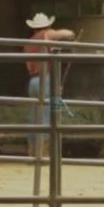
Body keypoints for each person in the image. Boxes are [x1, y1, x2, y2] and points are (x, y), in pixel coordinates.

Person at [23, 13, 76, 157]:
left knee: (34, 116)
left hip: (33, 81)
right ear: (47, 26)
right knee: (48, 115)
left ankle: (32, 151)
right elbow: (65, 34)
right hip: (45, 79)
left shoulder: (29, 43)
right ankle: (44, 152)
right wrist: (71, 34)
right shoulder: (46, 34)